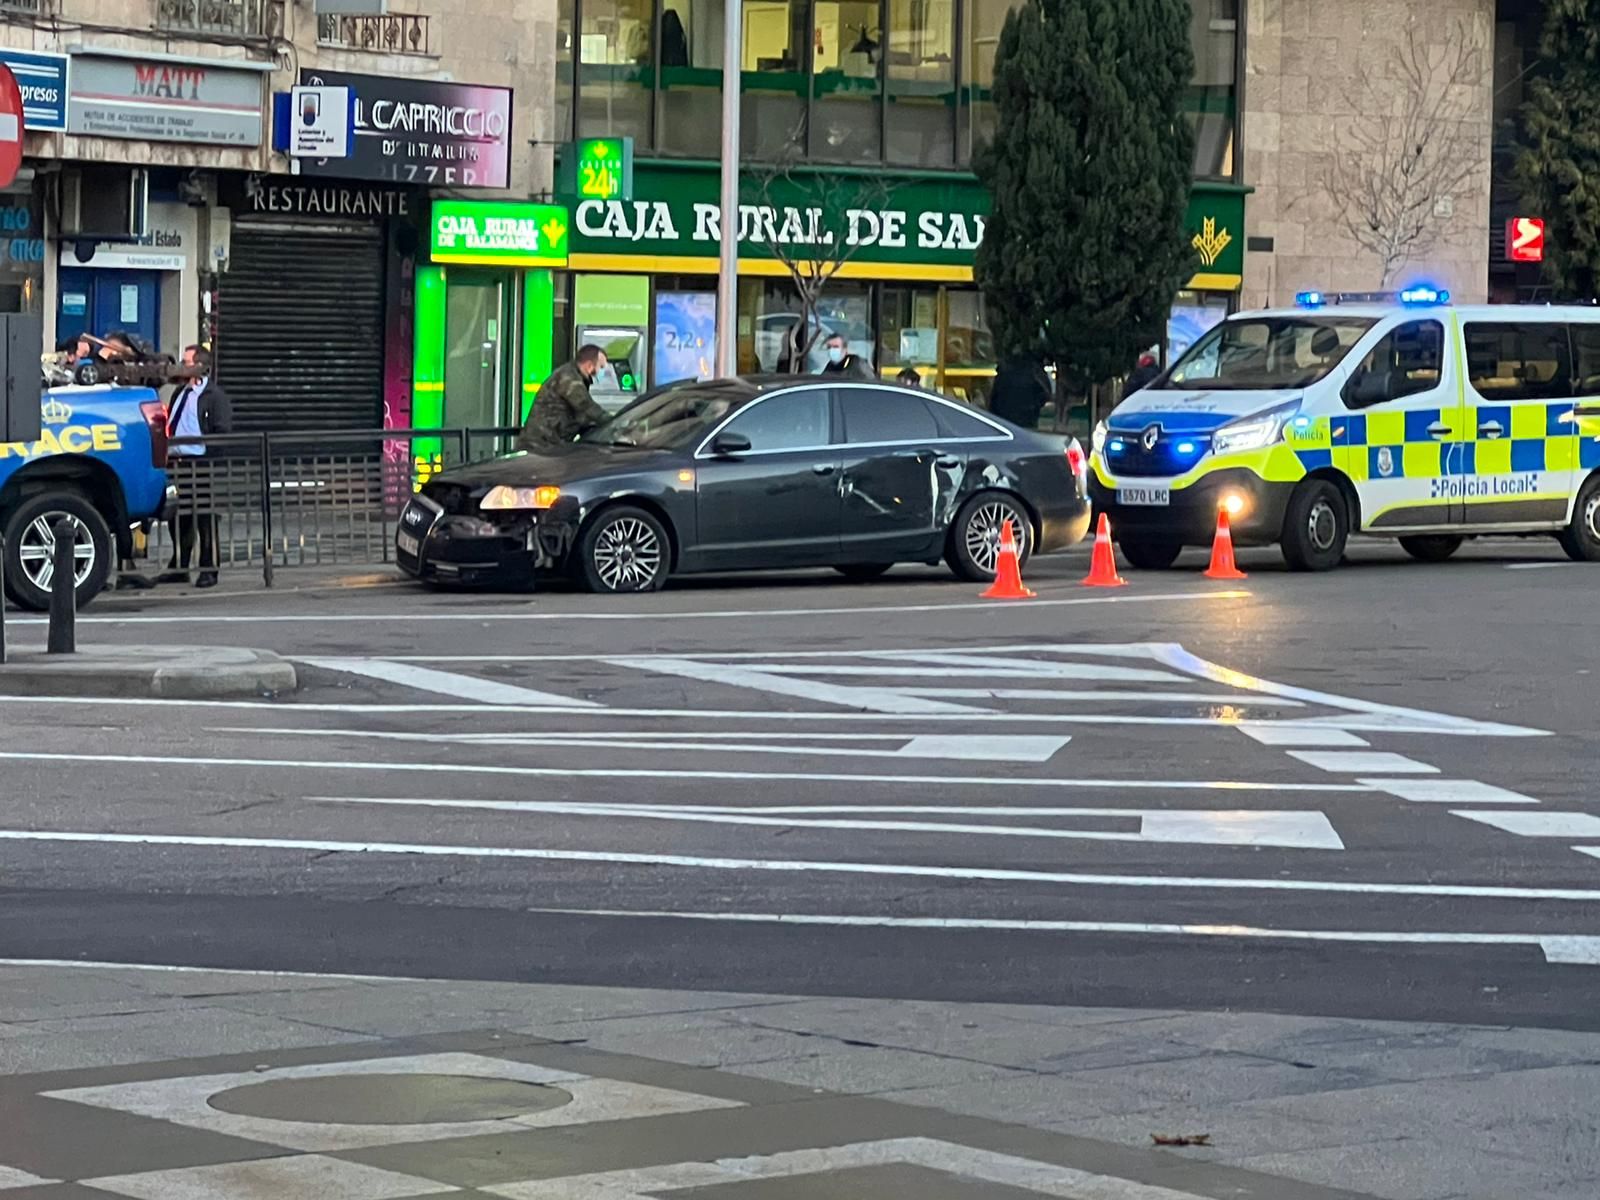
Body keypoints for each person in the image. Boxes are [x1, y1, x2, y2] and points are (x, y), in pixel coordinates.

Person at [161, 345, 233, 589]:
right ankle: (179, 565)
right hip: (177, 463)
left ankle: (208, 568)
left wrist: (209, 456)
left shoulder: (214, 396)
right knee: (177, 517)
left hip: (200, 464)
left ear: (199, 366)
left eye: (186, 361)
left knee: (205, 517)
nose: (182, 365)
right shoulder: (180, 392)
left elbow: (222, 431)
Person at [518, 344, 610, 452]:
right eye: (601, 367)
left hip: (550, 446)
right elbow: (585, 405)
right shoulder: (568, 377)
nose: (603, 372)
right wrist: (613, 422)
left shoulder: (577, 378)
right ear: (589, 365)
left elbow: (581, 416)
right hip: (538, 446)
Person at [989, 354, 1051, 430]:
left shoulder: (1005, 370)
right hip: (1027, 416)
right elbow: (1046, 394)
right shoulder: (1034, 369)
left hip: (1004, 418)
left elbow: (994, 399)